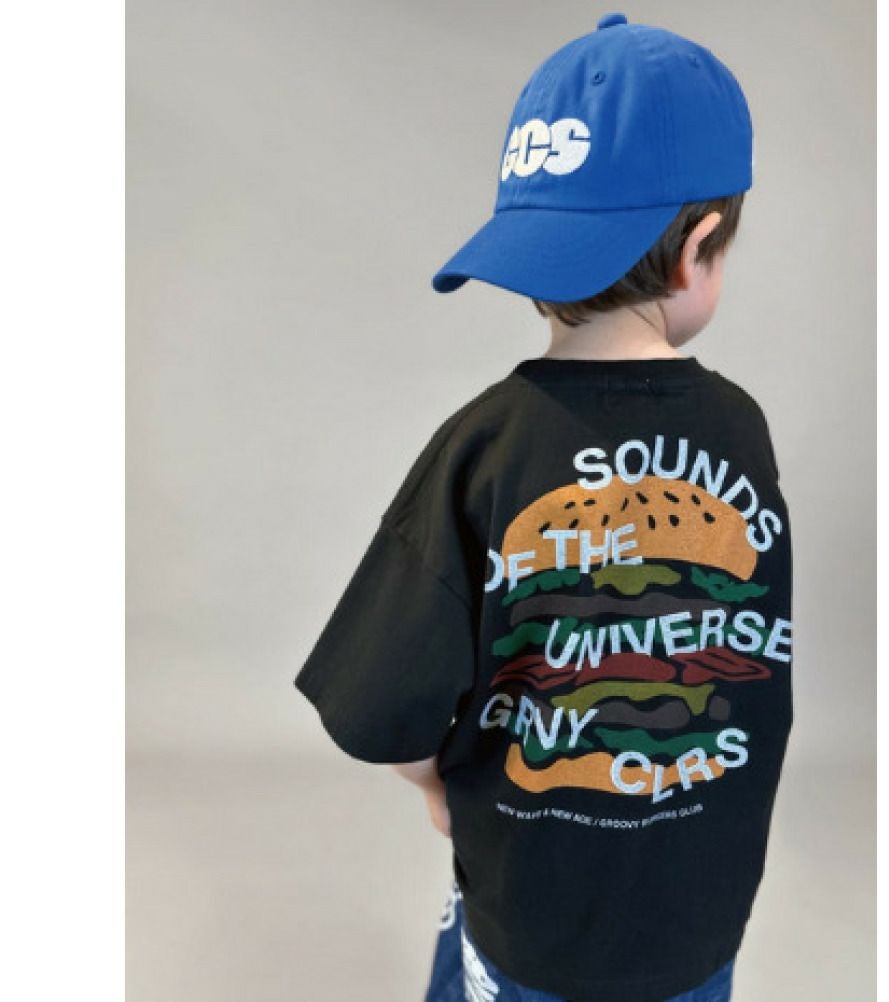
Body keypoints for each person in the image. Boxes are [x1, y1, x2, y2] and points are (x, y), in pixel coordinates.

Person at [294, 13, 793, 1002]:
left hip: (524, 920)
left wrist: (440, 791)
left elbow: (379, 707)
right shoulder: (742, 432)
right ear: (699, 247)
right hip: (697, 925)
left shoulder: (483, 447)